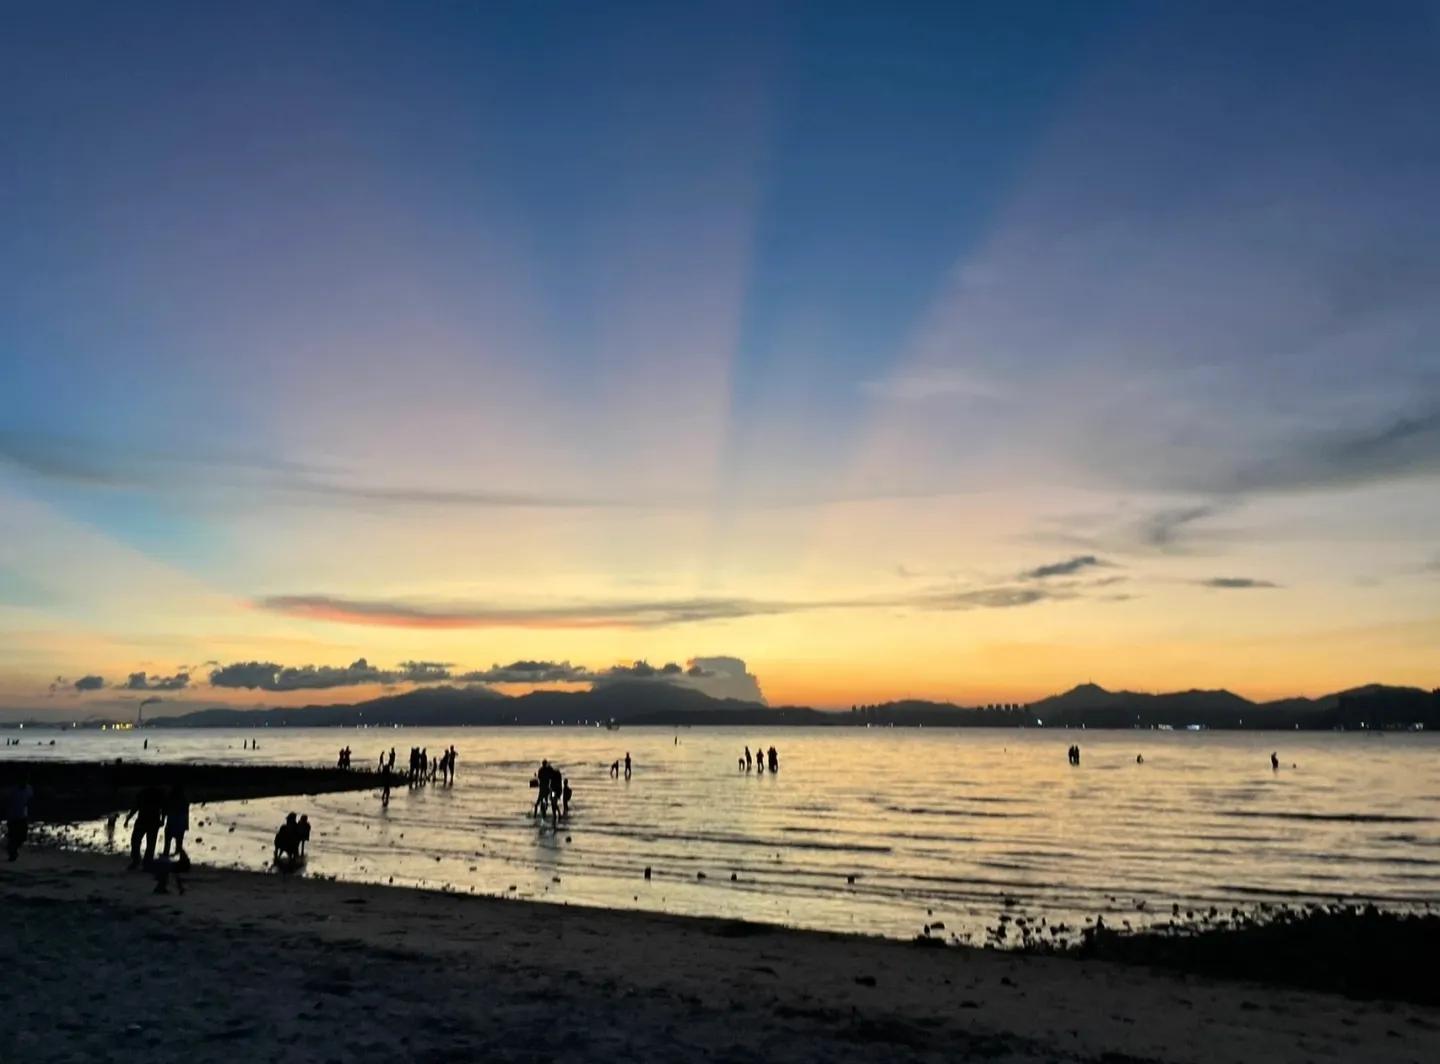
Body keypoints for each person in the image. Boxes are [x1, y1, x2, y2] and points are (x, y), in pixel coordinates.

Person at [125, 784, 167, 870]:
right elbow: (164, 808)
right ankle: (145, 862)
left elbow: (135, 807)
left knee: (136, 841)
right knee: (149, 843)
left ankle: (138, 860)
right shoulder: (158, 794)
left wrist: (128, 819)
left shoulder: (144, 793)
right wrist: (162, 820)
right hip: (152, 821)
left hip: (144, 820)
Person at [5, 777, 33, 861]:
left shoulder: (29, 789)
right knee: (13, 836)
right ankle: (12, 852)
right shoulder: (13, 790)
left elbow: (30, 801)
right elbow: (7, 801)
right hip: (13, 817)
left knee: (22, 837)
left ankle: (12, 849)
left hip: (22, 816)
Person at [163, 784, 189, 866]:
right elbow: (186, 813)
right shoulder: (184, 799)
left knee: (168, 841)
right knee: (179, 842)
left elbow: (165, 810)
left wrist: (162, 819)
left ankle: (166, 856)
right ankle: (181, 858)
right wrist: (186, 825)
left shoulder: (170, 798)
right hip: (180, 823)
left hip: (172, 822)